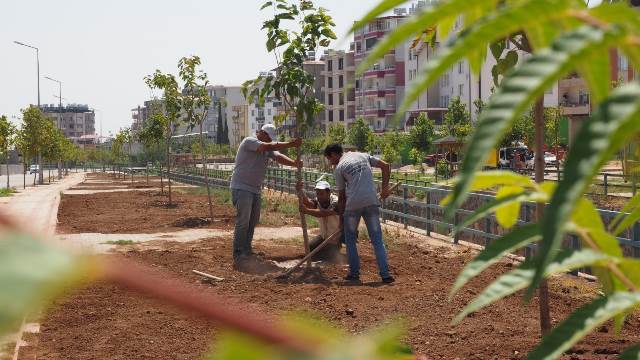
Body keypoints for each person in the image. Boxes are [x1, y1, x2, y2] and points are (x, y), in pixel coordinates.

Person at [230, 124, 302, 267]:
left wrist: (294, 163)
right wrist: (291, 144)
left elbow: (278, 156)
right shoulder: (250, 142)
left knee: (252, 221)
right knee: (243, 221)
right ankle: (238, 253)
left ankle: (247, 250)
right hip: (242, 187)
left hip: (255, 189)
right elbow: (268, 147)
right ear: (262, 133)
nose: (270, 141)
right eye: (268, 138)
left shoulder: (267, 148)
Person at [323, 143, 395, 284]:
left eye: (329, 159)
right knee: (377, 240)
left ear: (333, 154)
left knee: (350, 239)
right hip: (371, 201)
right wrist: (385, 187)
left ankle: (354, 274)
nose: (330, 162)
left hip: (353, 206)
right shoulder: (363, 155)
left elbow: (342, 197)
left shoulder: (339, 168)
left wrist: (341, 222)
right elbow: (385, 166)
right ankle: (385, 275)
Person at [296, 179, 342, 261]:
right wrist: (300, 190)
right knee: (309, 248)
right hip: (324, 236)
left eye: (321, 194)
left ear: (328, 193)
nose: (319, 196)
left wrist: (306, 211)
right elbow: (308, 203)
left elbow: (323, 213)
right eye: (317, 194)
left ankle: (341, 255)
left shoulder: (336, 202)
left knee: (320, 257)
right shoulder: (319, 200)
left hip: (336, 238)